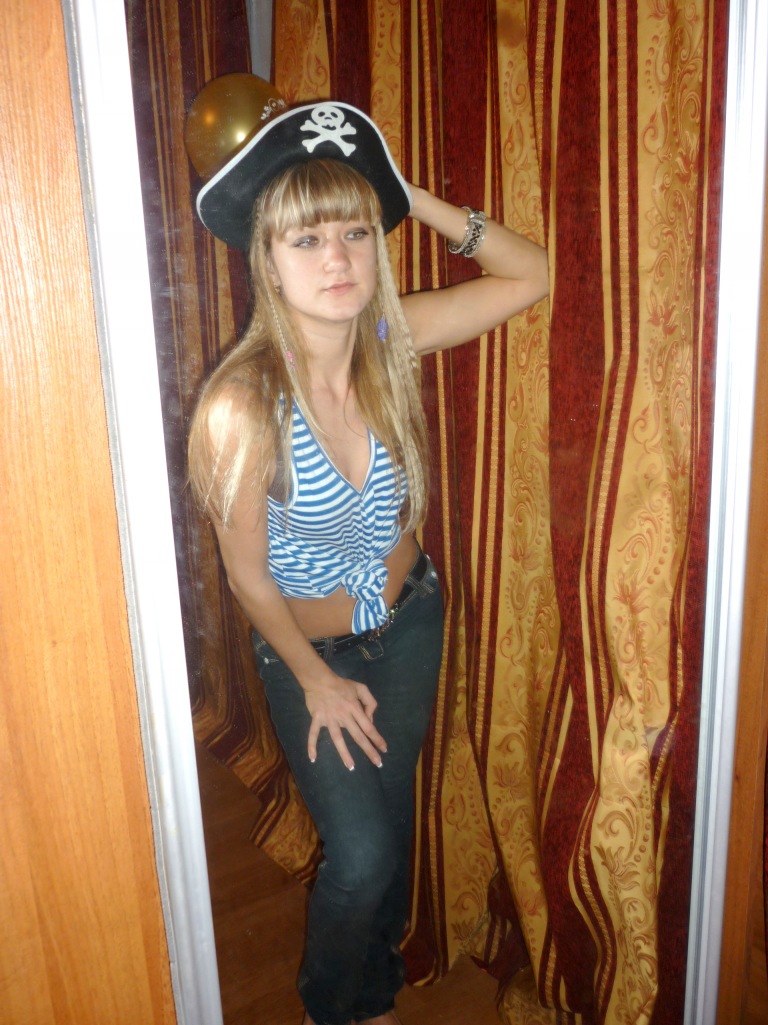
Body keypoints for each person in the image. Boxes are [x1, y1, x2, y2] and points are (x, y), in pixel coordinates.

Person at [187, 99, 548, 1025]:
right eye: (306, 239)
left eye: (354, 231)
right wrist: (314, 679)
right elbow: (247, 576)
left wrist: (400, 193)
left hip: (409, 623)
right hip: (311, 654)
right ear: (267, 260)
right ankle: (329, 1004)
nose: (338, 256)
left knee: (387, 833)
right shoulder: (244, 405)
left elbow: (530, 275)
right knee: (361, 857)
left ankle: (374, 991)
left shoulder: (389, 342)